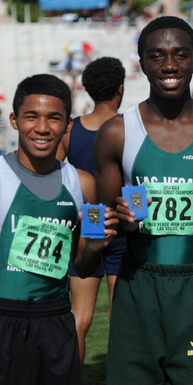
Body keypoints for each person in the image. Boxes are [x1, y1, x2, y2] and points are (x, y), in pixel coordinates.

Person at [94, 16, 193, 385]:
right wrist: (120, 224)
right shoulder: (116, 132)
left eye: (181, 54)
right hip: (137, 286)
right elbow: (100, 227)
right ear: (142, 61)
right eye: (157, 55)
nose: (169, 65)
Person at [0, 74, 116, 385]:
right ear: (14, 120)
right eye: (31, 117)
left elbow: (82, 266)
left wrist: (95, 248)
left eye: (54, 118)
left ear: (68, 124)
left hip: (57, 323)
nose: (42, 128)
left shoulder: (85, 185)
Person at [56, 56, 127, 364]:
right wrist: (140, 217)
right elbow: (136, 179)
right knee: (121, 320)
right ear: (120, 88)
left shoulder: (71, 130)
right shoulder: (131, 128)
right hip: (122, 224)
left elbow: (54, 178)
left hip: (88, 222)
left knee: (79, 318)